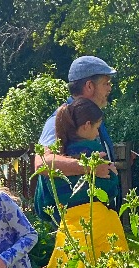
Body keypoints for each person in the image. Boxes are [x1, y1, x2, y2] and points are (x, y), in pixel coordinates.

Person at [36, 98, 128, 268]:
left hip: (71, 231)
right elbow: (110, 190)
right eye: (98, 127)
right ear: (87, 126)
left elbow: (48, 198)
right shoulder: (94, 155)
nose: (99, 133)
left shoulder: (59, 156)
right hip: (98, 228)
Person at [34, 56, 118, 186]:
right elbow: (42, 163)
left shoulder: (90, 117)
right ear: (89, 86)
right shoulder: (60, 119)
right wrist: (89, 167)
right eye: (105, 83)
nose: (110, 88)